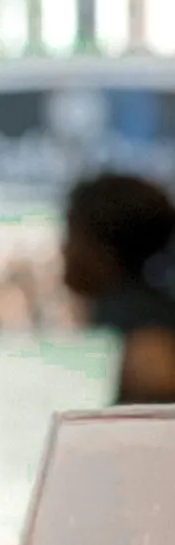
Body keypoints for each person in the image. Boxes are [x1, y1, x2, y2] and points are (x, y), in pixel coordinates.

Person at [61, 173, 175, 404]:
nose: (64, 249)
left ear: (103, 249)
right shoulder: (122, 313)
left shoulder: (145, 339)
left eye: (72, 235)